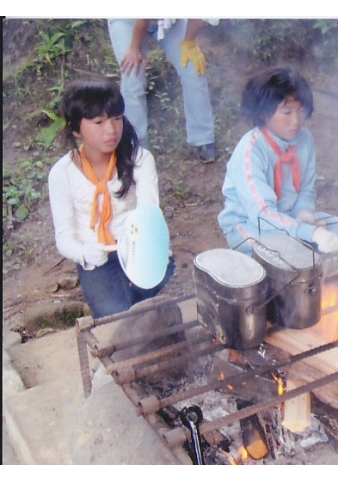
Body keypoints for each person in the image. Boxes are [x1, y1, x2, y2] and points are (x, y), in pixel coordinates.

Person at [48, 76, 174, 319]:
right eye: (98, 122)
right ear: (76, 129)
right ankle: (122, 309)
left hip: (135, 247)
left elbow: (150, 212)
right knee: (114, 313)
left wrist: (155, 243)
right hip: (96, 256)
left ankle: (133, 306)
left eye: (117, 118)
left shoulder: (139, 159)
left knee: (165, 268)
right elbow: (64, 237)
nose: (111, 129)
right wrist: (84, 253)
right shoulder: (62, 174)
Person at [217, 66, 338, 256]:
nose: (296, 121)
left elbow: (305, 190)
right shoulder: (250, 152)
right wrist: (312, 234)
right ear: (263, 113)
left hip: (290, 217)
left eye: (301, 111)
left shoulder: (305, 139)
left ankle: (312, 267)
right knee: (288, 251)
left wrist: (304, 213)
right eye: (286, 113)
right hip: (249, 224)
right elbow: (262, 215)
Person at [108, 18, 218, 163]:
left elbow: (199, 17)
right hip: (127, 19)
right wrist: (134, 49)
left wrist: (189, 43)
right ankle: (135, 148)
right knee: (133, 76)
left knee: (193, 68)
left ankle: (202, 139)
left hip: (169, 20)